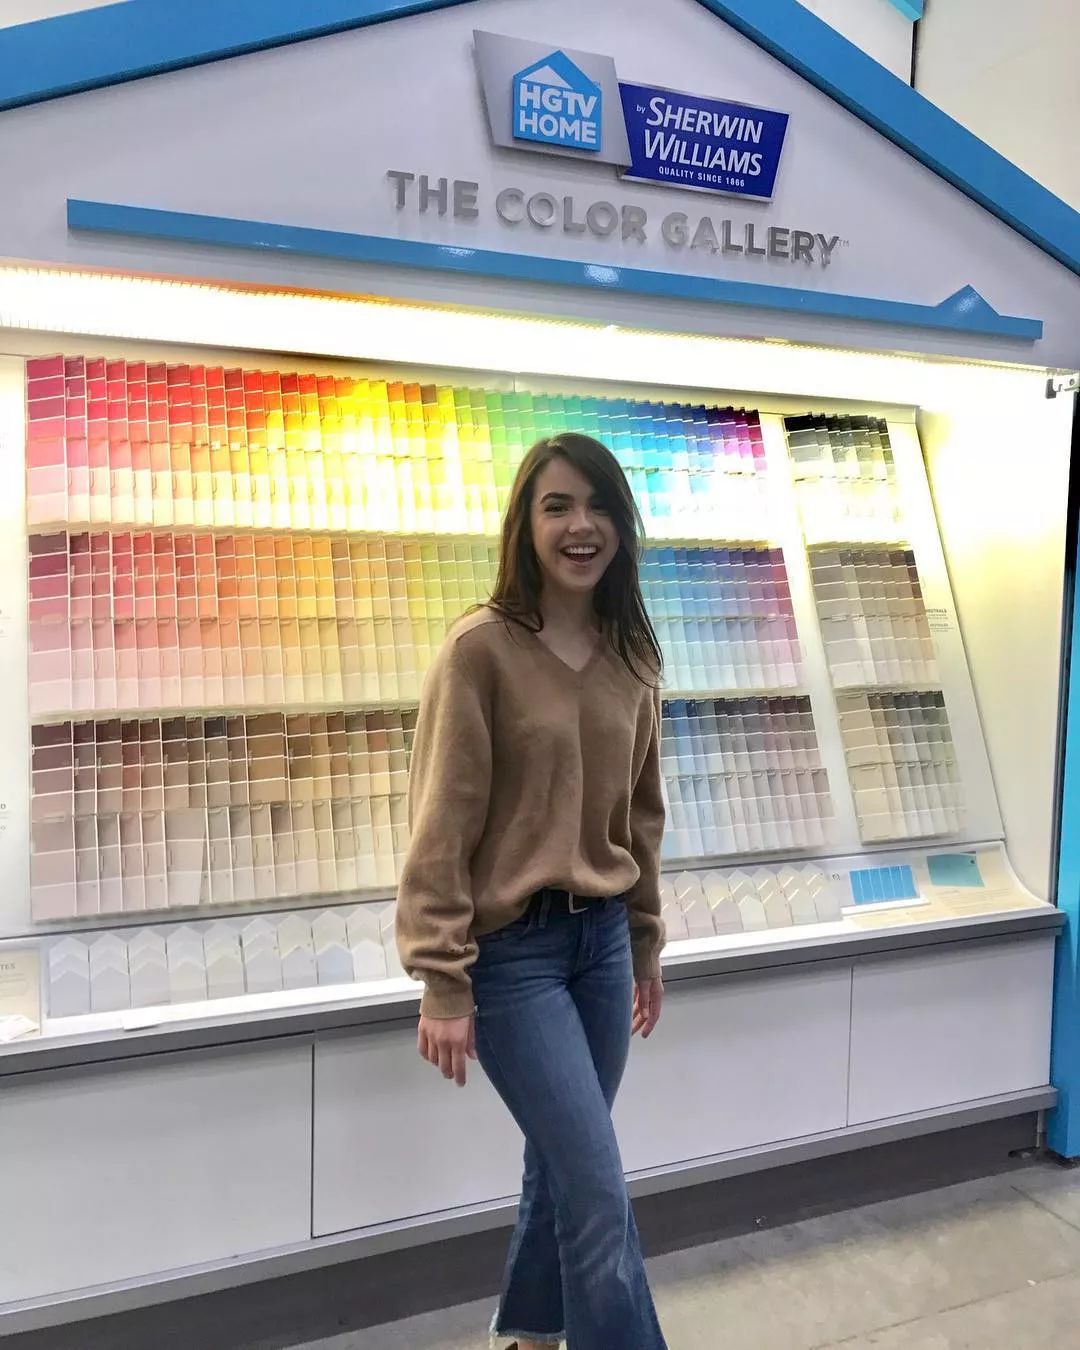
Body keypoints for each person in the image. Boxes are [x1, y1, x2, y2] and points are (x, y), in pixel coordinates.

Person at [396, 432, 669, 1350]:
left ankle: (528, 1333)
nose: (580, 526)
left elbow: (641, 817)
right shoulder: (480, 650)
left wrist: (645, 944)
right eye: (557, 506)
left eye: (598, 506)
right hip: (514, 956)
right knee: (596, 1186)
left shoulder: (634, 654)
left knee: (563, 1166)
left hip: (602, 946)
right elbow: (441, 823)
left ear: (621, 527)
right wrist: (442, 979)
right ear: (526, 523)